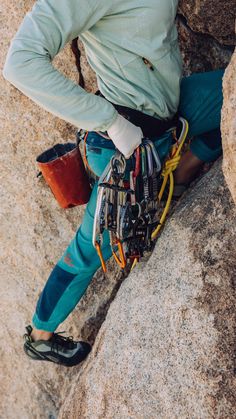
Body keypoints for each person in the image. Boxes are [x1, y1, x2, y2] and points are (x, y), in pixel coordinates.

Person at [3, 0, 223, 367]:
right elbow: (20, 63)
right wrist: (110, 122)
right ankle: (40, 336)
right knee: (90, 248)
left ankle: (183, 170)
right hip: (125, 143)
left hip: (169, 114)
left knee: (230, 92)